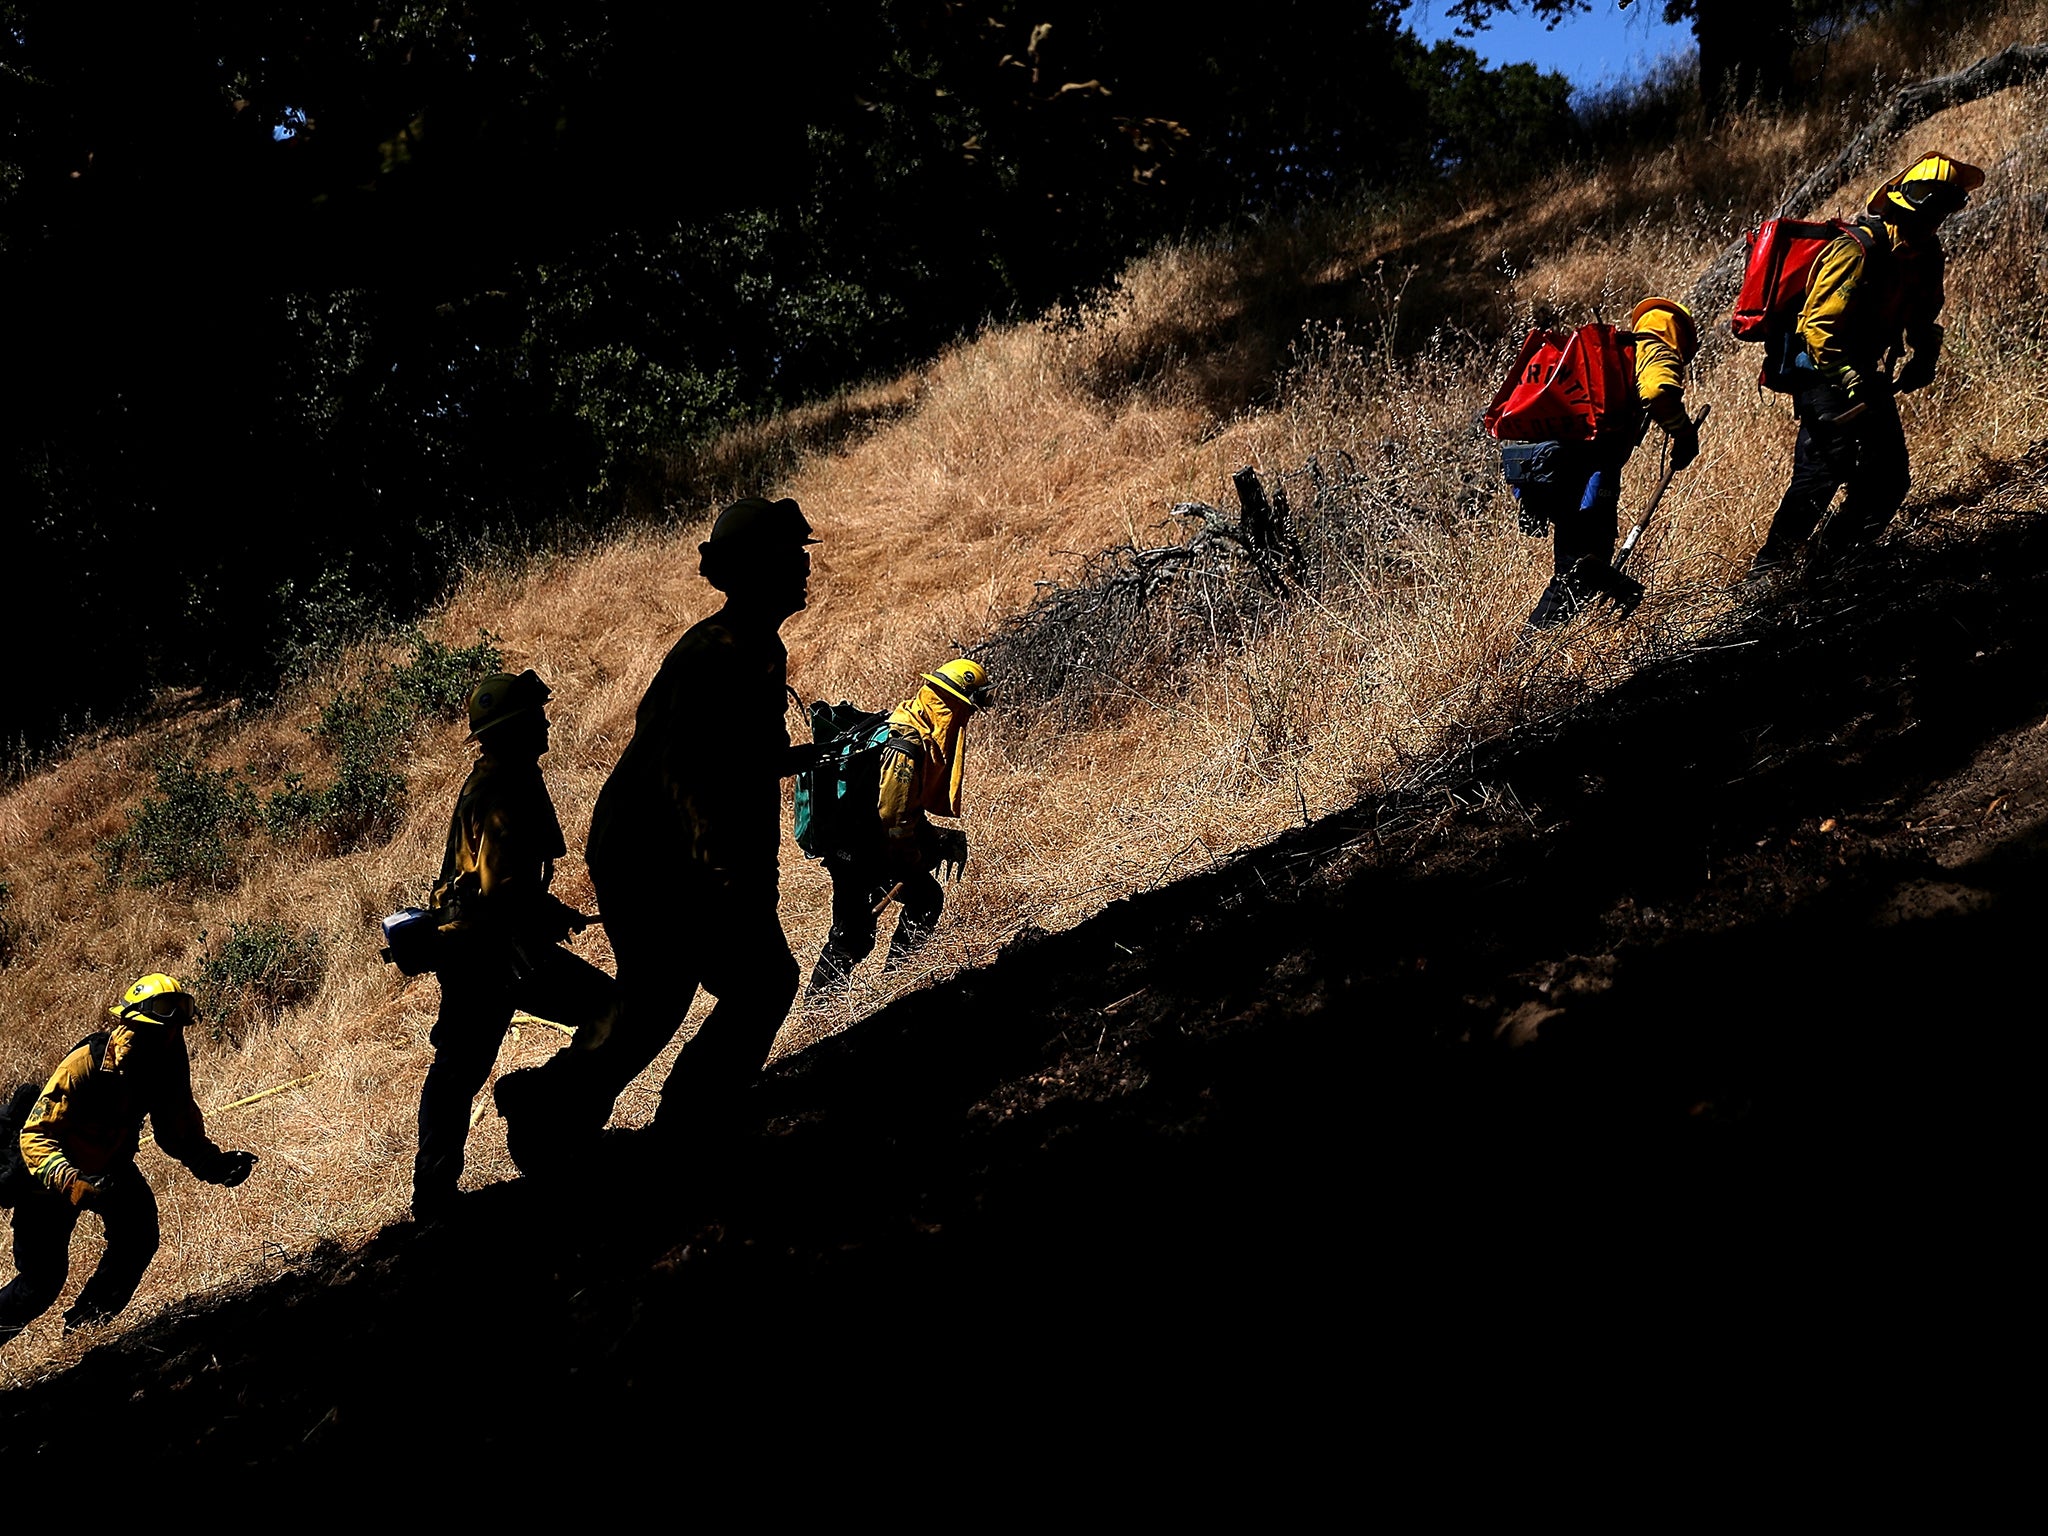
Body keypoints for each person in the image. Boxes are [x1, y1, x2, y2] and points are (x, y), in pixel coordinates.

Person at [496, 497, 822, 1170]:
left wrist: (815, 756)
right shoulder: (718, 654)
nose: (803, 564)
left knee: (656, 999)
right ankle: (689, 1123)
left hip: (658, 849)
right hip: (658, 855)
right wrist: (723, 871)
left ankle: (551, 1103)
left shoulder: (754, 646)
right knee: (758, 984)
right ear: (757, 569)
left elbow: (738, 760)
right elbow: (686, 774)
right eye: (791, 554)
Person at [411, 668, 615, 1220]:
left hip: (479, 948)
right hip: (492, 951)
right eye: (536, 716)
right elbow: (503, 889)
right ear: (515, 727)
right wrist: (544, 918)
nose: (546, 723)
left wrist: (548, 913)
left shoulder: (504, 776)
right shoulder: (504, 787)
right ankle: (538, 1102)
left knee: (457, 1069)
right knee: (610, 1011)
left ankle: (434, 1192)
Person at [1752, 152, 1983, 573]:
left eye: (1944, 211)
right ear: (1902, 204)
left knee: (1889, 478)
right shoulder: (1857, 249)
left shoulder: (1926, 254)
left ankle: (1831, 562)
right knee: (1824, 470)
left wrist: (1924, 355)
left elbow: (1924, 313)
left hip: (1864, 373)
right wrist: (1847, 377)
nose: (1934, 222)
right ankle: (1767, 573)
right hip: (1821, 370)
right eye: (1929, 210)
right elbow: (1818, 327)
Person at [0, 974, 256, 1346]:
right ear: (131, 1024)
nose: (170, 1039)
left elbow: (177, 1128)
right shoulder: (86, 1063)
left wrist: (211, 1164)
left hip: (110, 1168)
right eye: (160, 1031)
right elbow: (35, 1135)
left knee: (138, 1237)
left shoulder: (167, 1061)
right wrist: (71, 1183)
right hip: (49, 1182)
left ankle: (84, 1330)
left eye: (176, 1031)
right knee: (40, 1284)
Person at [807, 658, 992, 995]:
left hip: (864, 843)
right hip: (853, 848)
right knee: (852, 935)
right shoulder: (906, 744)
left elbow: (904, 809)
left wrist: (932, 839)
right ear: (952, 704)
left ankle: (896, 987)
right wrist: (914, 858)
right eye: (968, 708)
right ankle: (818, 1015)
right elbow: (893, 816)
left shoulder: (911, 723)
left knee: (923, 899)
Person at [1518, 297, 1702, 628]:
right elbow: (1658, 391)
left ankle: (1549, 651)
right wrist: (1684, 434)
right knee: (1575, 576)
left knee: (1579, 569)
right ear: (1679, 331)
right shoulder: (1656, 348)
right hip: (1586, 476)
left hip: (1562, 468)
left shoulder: (1620, 352)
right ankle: (1524, 662)